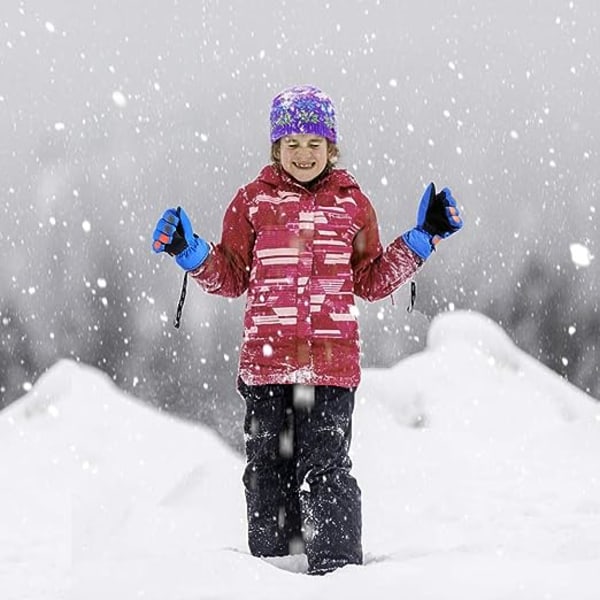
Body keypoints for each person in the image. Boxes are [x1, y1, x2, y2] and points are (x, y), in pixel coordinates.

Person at [151, 85, 463, 574]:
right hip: (267, 365)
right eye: (292, 144)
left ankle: (337, 575)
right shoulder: (252, 202)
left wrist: (423, 240)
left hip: (332, 366)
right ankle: (275, 574)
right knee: (267, 472)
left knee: (327, 471)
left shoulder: (352, 205)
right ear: (276, 148)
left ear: (331, 148)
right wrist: (190, 251)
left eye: (314, 143)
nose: (303, 154)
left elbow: (372, 279)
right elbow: (233, 275)